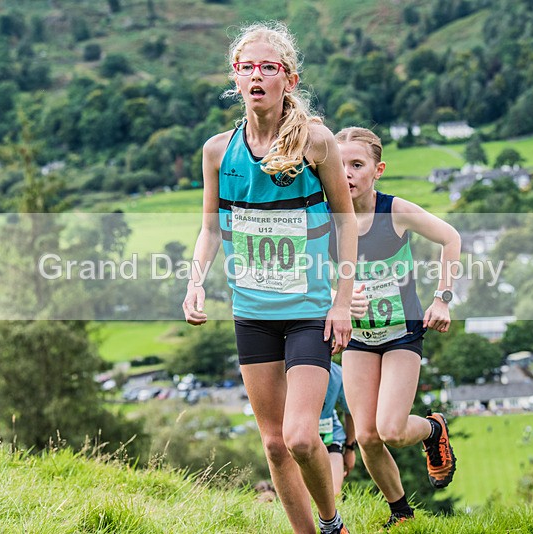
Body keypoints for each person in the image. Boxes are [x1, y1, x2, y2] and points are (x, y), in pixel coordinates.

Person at [181, 21, 358, 534]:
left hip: (309, 312)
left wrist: (342, 301)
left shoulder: (317, 144)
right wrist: (195, 282)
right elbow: (211, 228)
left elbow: (346, 225)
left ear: (289, 79)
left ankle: (331, 523)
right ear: (235, 78)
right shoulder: (219, 151)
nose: (256, 75)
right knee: (276, 444)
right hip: (252, 315)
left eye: (268, 67)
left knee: (303, 437)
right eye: (246, 68)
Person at [332, 127, 460, 529]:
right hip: (359, 339)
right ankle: (401, 513)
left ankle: (432, 429)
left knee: (390, 429)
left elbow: (451, 238)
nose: (347, 173)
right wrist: (336, 304)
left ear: (378, 169)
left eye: (357, 164)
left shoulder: (395, 211)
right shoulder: (326, 219)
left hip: (402, 334)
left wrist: (443, 297)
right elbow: (312, 274)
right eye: (338, 165)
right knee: (367, 436)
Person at [320, 361, 356, 498]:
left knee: (334, 493)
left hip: (330, 436)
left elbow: (350, 411)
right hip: (296, 436)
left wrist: (350, 448)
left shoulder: (338, 374)